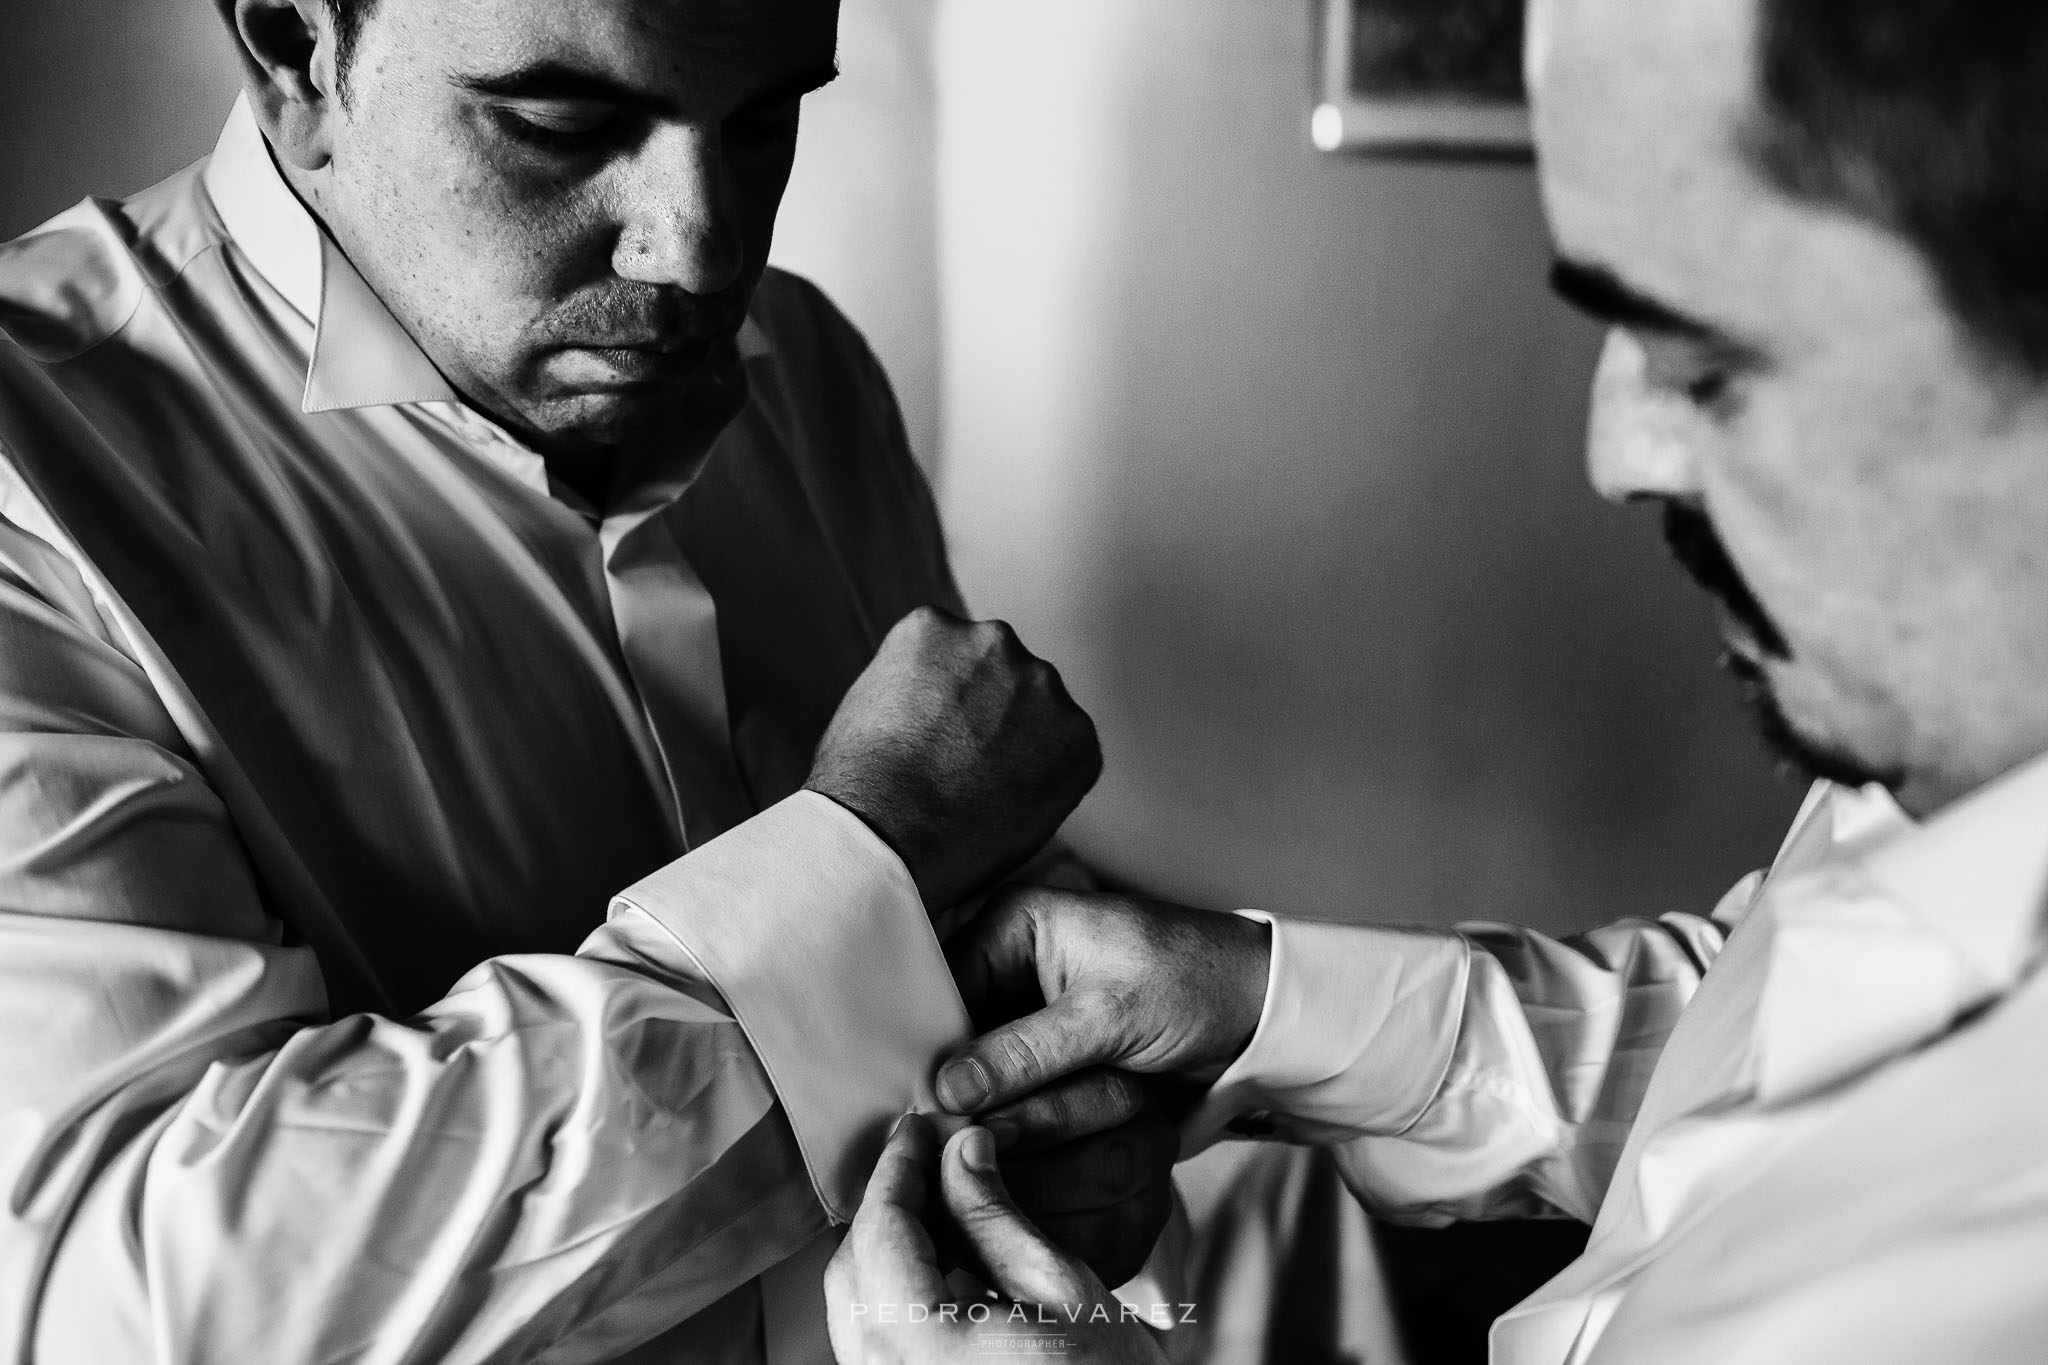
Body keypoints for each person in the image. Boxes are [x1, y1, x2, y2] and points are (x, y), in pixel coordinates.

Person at [826, 0, 2048, 1360]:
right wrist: (1266, 1004)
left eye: (1707, 361)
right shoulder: (1963, 723)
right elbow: (1778, 1033)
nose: (1613, 450)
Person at [0, 0, 1177, 1359]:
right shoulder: (33, 481)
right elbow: (131, 1305)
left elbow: (978, 1007)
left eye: (761, 121)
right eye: (563, 124)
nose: (700, 248)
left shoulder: (811, 374)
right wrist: (863, 858)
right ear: (291, 48)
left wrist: (1072, 1136)